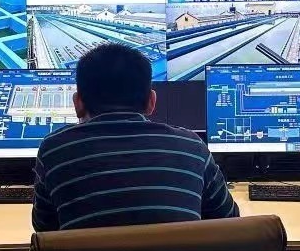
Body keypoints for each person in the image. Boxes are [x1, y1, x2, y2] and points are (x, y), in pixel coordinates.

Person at [32, 43, 239, 232]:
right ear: (151, 102)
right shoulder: (193, 148)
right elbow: (229, 221)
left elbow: (45, 230)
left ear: (78, 103)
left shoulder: (54, 150)